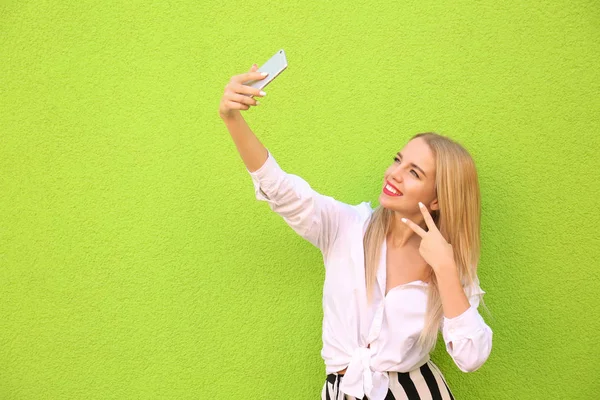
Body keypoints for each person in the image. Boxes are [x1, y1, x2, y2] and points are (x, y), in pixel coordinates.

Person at [219, 64, 493, 400]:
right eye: (397, 160)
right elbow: (281, 189)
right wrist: (232, 119)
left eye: (414, 172)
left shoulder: (447, 264)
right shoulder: (346, 227)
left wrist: (446, 269)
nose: (394, 174)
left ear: (437, 200)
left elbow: (471, 356)